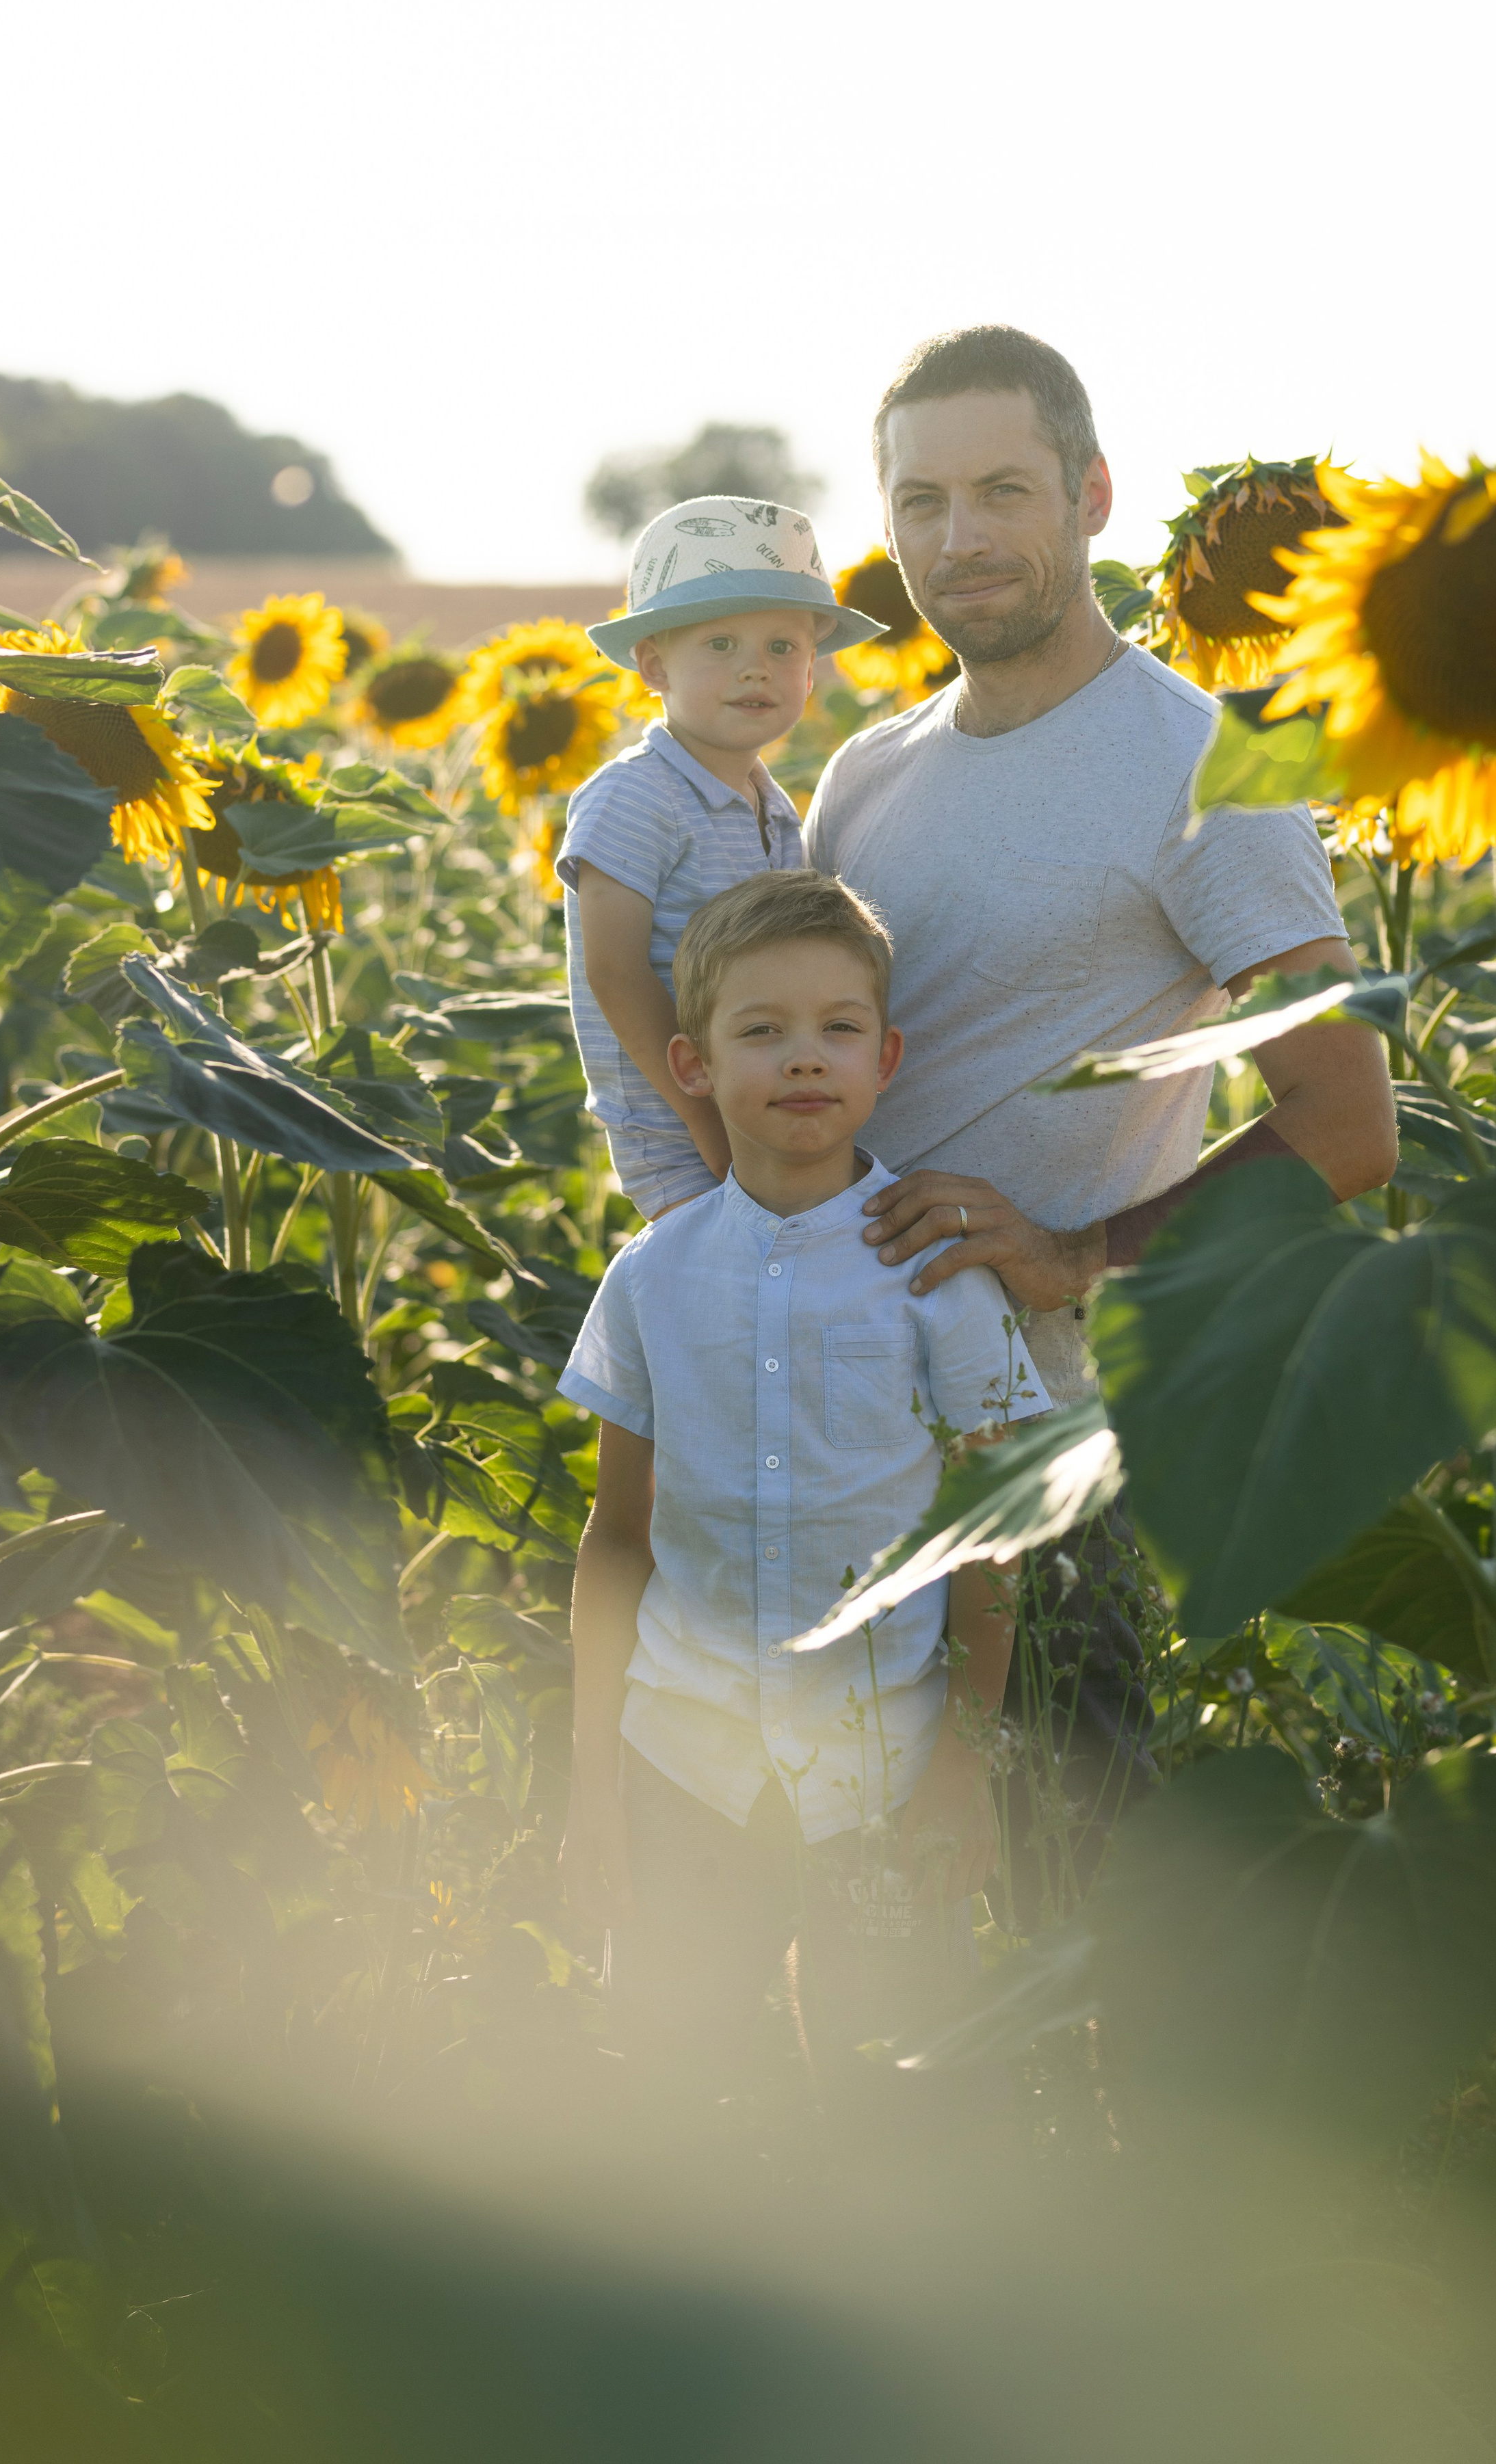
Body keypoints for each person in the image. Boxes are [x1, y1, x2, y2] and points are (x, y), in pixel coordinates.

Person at [804, 326, 1398, 1887]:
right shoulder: (863, 778)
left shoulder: (1206, 764)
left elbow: (1347, 1121)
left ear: (1092, 496)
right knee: (840, 1880)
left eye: (1003, 489)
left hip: (1042, 1443)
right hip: (836, 1412)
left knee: (1067, 1872)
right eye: (922, 499)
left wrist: (1079, 1251)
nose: (961, 536)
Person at [557, 869, 1041, 2073]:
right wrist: (591, 1786)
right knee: (665, 2081)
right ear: (692, 1064)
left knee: (895, 2087)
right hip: (680, 1757)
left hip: (887, 1768)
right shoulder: (651, 1276)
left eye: (838, 1027)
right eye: (762, 1030)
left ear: (886, 1057)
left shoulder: (940, 1280)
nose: (806, 1056)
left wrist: (964, 1766)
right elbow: (617, 1538)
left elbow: (992, 1535)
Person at [555, 498, 888, 1221]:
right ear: (654, 665)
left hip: (761, 1118)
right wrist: (709, 1126)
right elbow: (614, 971)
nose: (754, 670)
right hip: (677, 1131)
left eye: (782, 648)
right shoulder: (633, 795)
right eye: (721, 644)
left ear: (812, 672)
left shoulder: (774, 806)